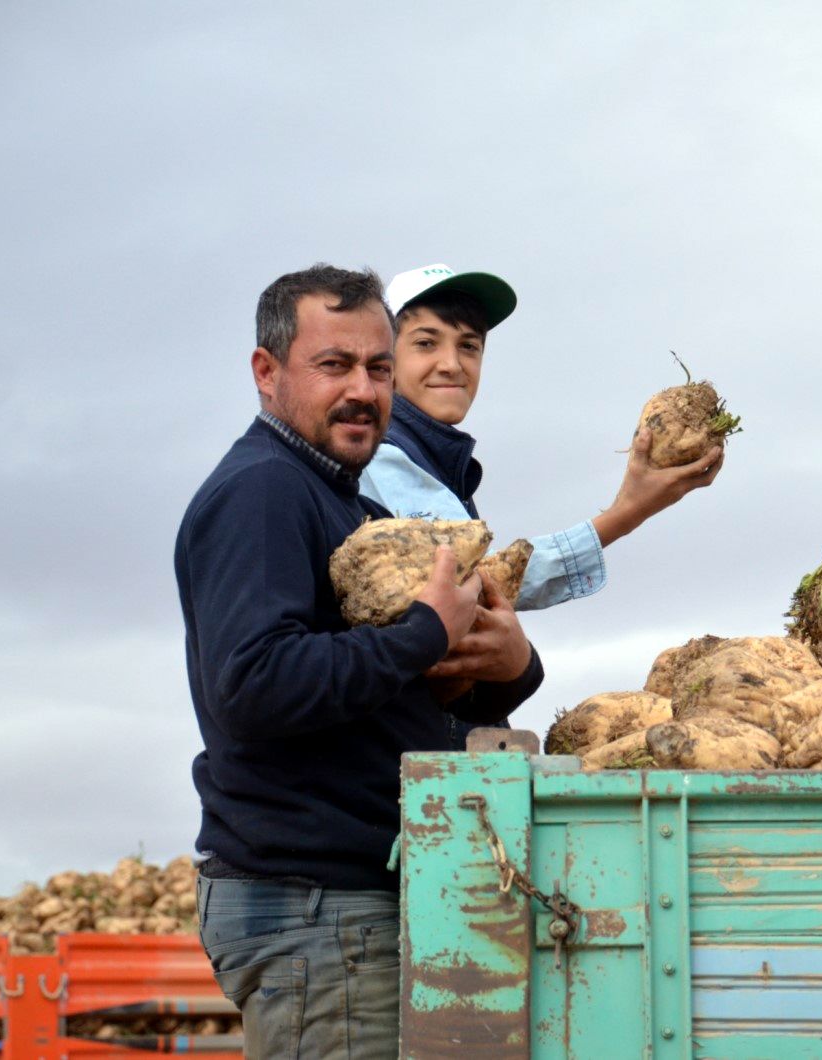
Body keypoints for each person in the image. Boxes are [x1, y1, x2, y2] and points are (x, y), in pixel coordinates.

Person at [175, 263, 543, 1059]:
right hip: (316, 913)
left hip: (354, 908)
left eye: (378, 369)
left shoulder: (348, 502)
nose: (364, 390)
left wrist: (512, 664)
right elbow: (253, 685)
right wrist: (422, 633)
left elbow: (412, 684)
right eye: (334, 365)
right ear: (267, 373)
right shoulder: (266, 491)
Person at [359, 261, 723, 626]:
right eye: (426, 343)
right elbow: (477, 581)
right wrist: (628, 512)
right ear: (384, 360)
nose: (452, 364)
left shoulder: (430, 454)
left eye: (469, 345)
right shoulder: (381, 455)